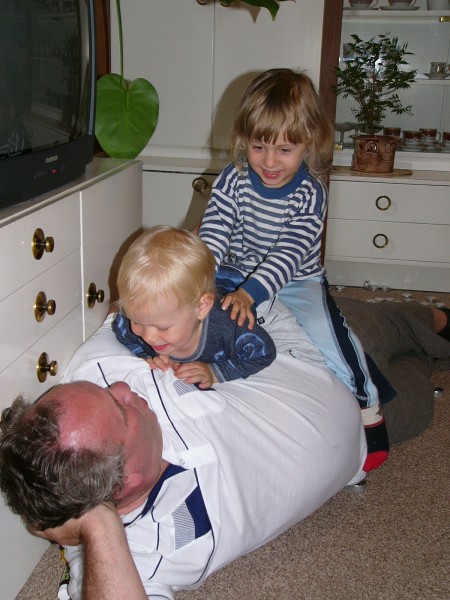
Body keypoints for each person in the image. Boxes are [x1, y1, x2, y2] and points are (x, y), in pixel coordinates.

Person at [0, 314, 367, 600]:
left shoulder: (93, 370)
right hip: (362, 438)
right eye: (120, 407)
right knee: (411, 380)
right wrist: (97, 524)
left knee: (376, 322)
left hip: (283, 349)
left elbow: (137, 307)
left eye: (104, 391)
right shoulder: (137, 554)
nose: (124, 387)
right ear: (126, 481)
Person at [198, 68, 391, 472]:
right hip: (234, 272)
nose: (269, 162)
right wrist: (199, 276)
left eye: (285, 150)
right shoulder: (232, 180)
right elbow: (214, 233)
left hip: (297, 281)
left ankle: (368, 405)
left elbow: (287, 253)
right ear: (243, 141)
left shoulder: (310, 194)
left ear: (309, 143)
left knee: (329, 338)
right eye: (259, 147)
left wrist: (251, 294)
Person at [112, 226, 276, 389]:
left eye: (162, 328)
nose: (148, 337)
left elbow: (264, 353)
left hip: (234, 282)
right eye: (137, 322)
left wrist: (215, 372)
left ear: (202, 308)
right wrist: (145, 356)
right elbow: (121, 331)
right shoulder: (134, 322)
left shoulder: (228, 327)